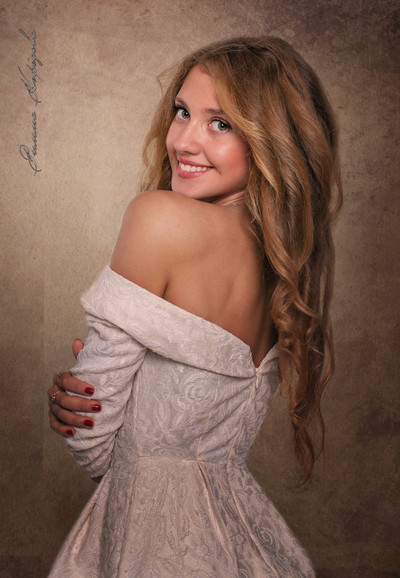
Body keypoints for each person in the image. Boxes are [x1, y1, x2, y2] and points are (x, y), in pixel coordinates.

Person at [47, 36, 342, 577]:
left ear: (271, 141)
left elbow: (93, 446)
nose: (184, 140)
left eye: (220, 123)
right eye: (182, 112)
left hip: (151, 543)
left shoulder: (158, 218)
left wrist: (90, 405)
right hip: (244, 539)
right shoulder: (285, 269)